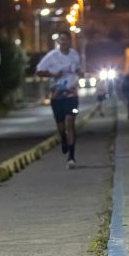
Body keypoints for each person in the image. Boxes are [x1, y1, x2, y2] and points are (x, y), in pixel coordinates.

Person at [36, 31, 83, 169]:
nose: (64, 42)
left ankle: (72, 156)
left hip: (72, 95)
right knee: (61, 126)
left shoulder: (75, 55)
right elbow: (38, 71)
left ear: (70, 41)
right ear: (59, 42)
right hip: (57, 96)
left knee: (70, 122)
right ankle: (63, 138)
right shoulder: (52, 56)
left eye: (66, 39)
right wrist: (53, 74)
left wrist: (80, 73)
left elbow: (78, 70)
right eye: (61, 40)